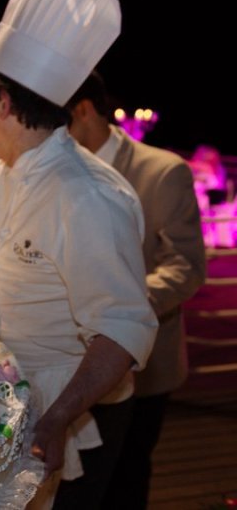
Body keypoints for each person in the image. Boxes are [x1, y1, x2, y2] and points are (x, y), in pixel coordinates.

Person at [0, 0, 158, 508]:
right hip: (2, 401)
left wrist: (58, 417)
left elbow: (123, 328)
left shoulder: (89, 198)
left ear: (3, 102)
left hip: (74, 416)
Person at [67, 71, 207, 509]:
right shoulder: (64, 173)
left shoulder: (162, 171)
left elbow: (185, 266)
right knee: (82, 478)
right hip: (74, 360)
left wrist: (119, 307)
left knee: (128, 476)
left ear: (84, 110)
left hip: (146, 363)